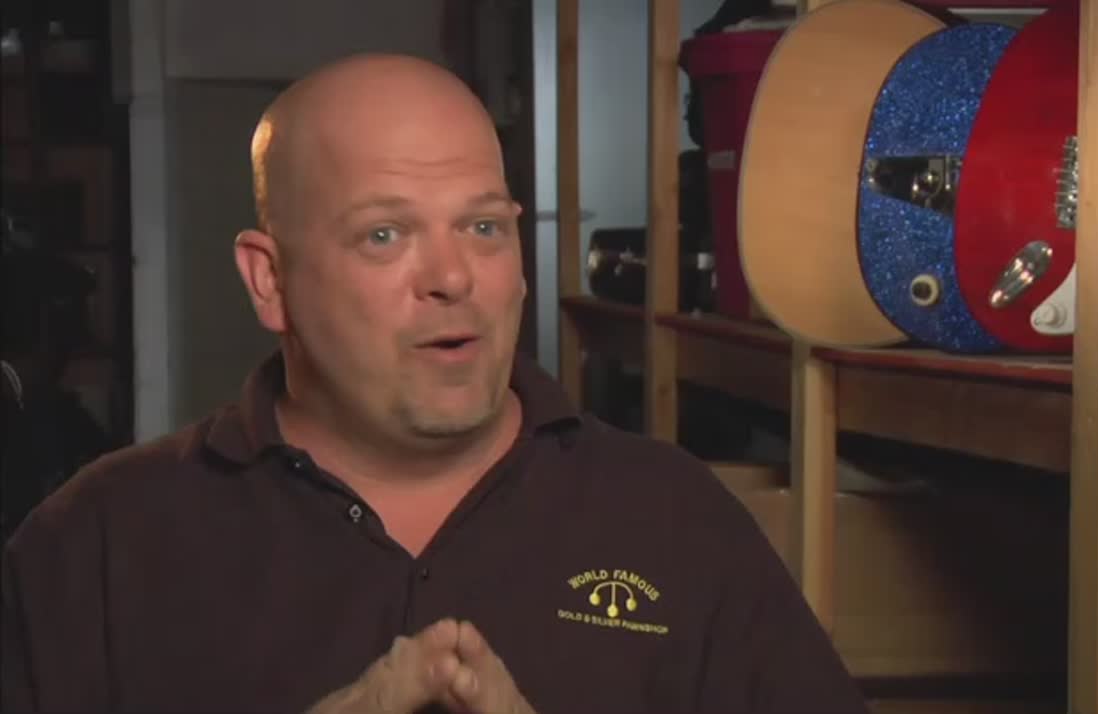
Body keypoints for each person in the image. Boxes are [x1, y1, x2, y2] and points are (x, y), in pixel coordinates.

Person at [0, 53, 865, 713]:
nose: (454, 278)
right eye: (385, 235)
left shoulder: (675, 517)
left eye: (484, 227)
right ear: (270, 281)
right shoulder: (97, 545)